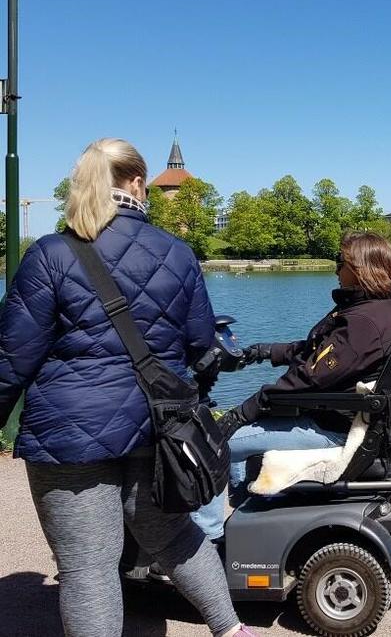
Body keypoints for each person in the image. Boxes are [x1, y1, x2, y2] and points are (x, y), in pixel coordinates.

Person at [0, 139, 256, 637]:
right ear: (138, 184)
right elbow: (203, 348)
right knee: (173, 536)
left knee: (89, 567)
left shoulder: (51, 254)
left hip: (69, 434)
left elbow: (11, 359)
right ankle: (230, 630)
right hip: (157, 427)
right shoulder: (178, 253)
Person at [192, 232, 391, 540]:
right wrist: (263, 351)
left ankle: (204, 543)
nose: (335, 269)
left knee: (207, 444)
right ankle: (244, 520)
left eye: (340, 262)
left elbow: (308, 378)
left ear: (359, 269)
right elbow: (317, 351)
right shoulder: (372, 310)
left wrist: (241, 412)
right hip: (333, 417)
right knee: (234, 433)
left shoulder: (364, 323)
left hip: (330, 429)